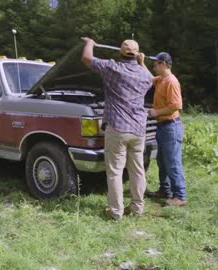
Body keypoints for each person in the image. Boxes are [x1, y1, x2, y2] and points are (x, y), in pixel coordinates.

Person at [81, 37, 153, 220]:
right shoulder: (144, 75)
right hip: (138, 129)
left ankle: (116, 212)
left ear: (121, 52)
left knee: (115, 171)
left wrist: (90, 43)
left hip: (118, 128)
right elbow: (152, 80)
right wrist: (142, 62)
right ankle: (137, 208)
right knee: (137, 170)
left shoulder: (113, 68)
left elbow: (86, 59)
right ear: (137, 54)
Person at [138, 52, 187, 207]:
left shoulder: (171, 82)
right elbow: (148, 78)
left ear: (165, 64)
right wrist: (141, 62)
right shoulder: (160, 80)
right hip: (162, 126)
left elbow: (176, 105)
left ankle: (180, 196)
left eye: (156, 64)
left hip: (171, 126)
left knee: (173, 162)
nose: (154, 67)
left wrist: (156, 112)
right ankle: (165, 190)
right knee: (162, 161)